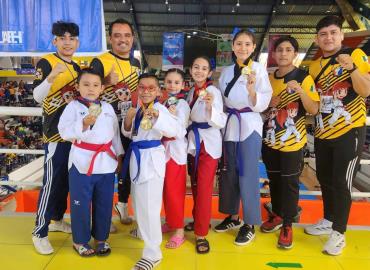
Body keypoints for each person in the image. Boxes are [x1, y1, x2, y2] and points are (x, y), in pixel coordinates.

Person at [305, 15, 370, 255]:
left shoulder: (355, 56)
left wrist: (351, 68)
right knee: (326, 179)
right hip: (322, 132)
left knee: (342, 183)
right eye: (323, 34)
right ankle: (329, 220)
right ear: (317, 39)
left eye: (333, 33)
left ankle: (339, 233)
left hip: (349, 131)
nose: (328, 37)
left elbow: (366, 90)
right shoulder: (314, 65)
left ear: (341, 35)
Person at [260, 36, 319, 249]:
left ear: (295, 54)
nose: (283, 53)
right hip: (270, 142)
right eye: (279, 50)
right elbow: (264, 111)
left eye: (288, 50)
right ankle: (276, 215)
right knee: (274, 182)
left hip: (293, 144)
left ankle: (288, 224)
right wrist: (269, 105)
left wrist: (302, 91)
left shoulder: (304, 77)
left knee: (290, 185)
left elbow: (313, 110)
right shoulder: (268, 78)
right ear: (274, 54)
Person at [58, 68, 124, 257]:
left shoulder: (108, 108)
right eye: (85, 84)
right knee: (80, 204)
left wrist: (119, 155)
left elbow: (115, 135)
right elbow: (63, 132)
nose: (91, 89)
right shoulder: (72, 107)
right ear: (78, 87)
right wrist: (84, 124)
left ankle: (101, 239)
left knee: (104, 203)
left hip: (106, 162)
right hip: (81, 163)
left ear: (102, 88)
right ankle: (80, 241)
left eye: (95, 85)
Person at [215, 29, 272, 246]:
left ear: (254, 47)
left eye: (247, 44)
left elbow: (265, 99)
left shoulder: (259, 70)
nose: (243, 48)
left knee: (248, 174)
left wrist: (252, 92)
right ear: (232, 46)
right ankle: (232, 216)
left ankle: (250, 223)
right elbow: (221, 98)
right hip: (229, 125)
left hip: (249, 125)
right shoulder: (227, 72)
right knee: (229, 173)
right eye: (239, 43)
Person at [122, 73, 181, 270]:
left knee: (149, 206)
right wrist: (128, 121)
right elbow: (131, 134)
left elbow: (174, 131)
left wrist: (157, 118)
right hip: (137, 157)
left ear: (158, 91)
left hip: (151, 158)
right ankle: (143, 231)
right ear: (138, 90)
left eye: (151, 88)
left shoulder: (161, 110)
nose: (146, 91)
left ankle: (153, 252)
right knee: (138, 201)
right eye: (142, 87)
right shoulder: (138, 109)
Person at [31, 21, 80, 255]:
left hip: (73, 136)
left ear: (77, 42)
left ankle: (58, 220)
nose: (67, 42)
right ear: (55, 41)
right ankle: (39, 232)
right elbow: (37, 97)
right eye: (63, 38)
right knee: (50, 184)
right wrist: (51, 77)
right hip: (54, 135)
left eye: (72, 38)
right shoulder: (47, 62)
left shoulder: (78, 68)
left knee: (65, 184)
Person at [90, 18, 141, 227]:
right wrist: (105, 83)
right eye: (117, 35)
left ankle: (121, 203)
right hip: (106, 124)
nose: (123, 40)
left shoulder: (136, 63)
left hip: (129, 123)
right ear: (110, 38)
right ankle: (103, 215)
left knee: (127, 166)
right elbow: (87, 92)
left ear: (132, 39)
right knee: (106, 169)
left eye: (127, 35)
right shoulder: (100, 61)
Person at [185, 56, 227, 254]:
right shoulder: (191, 91)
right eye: (196, 67)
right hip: (194, 142)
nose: (199, 71)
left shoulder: (213, 92)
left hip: (208, 145)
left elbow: (220, 121)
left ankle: (201, 234)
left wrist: (210, 107)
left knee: (203, 189)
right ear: (191, 69)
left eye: (204, 68)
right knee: (194, 186)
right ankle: (197, 221)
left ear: (210, 73)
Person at [161, 68, 190, 249]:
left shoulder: (183, 105)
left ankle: (179, 230)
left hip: (175, 153)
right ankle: (170, 222)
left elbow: (181, 128)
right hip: (161, 152)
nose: (172, 85)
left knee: (174, 192)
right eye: (169, 82)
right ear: (164, 83)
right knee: (165, 191)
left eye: (176, 82)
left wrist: (170, 117)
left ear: (183, 85)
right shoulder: (161, 102)